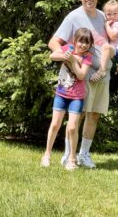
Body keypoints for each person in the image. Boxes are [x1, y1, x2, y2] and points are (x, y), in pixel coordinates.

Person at [47, 0, 118, 169]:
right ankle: (69, 154)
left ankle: (84, 154)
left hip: (103, 75)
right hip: (83, 75)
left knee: (94, 115)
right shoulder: (73, 17)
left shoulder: (104, 17)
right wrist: (69, 59)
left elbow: (116, 40)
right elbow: (53, 42)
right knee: (79, 115)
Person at [41, 28, 94, 170]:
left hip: (77, 97)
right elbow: (53, 56)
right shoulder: (68, 48)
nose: (83, 45)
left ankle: (71, 159)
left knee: (72, 128)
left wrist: (73, 60)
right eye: (80, 41)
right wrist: (66, 56)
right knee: (55, 124)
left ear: (90, 45)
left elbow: (82, 75)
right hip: (61, 94)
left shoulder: (88, 57)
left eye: (86, 42)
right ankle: (46, 155)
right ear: (75, 41)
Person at [90, 0, 118, 82]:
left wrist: (107, 25)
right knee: (106, 48)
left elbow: (112, 36)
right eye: (109, 14)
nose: (112, 16)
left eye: (115, 14)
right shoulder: (110, 24)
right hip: (113, 54)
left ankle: (101, 71)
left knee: (106, 47)